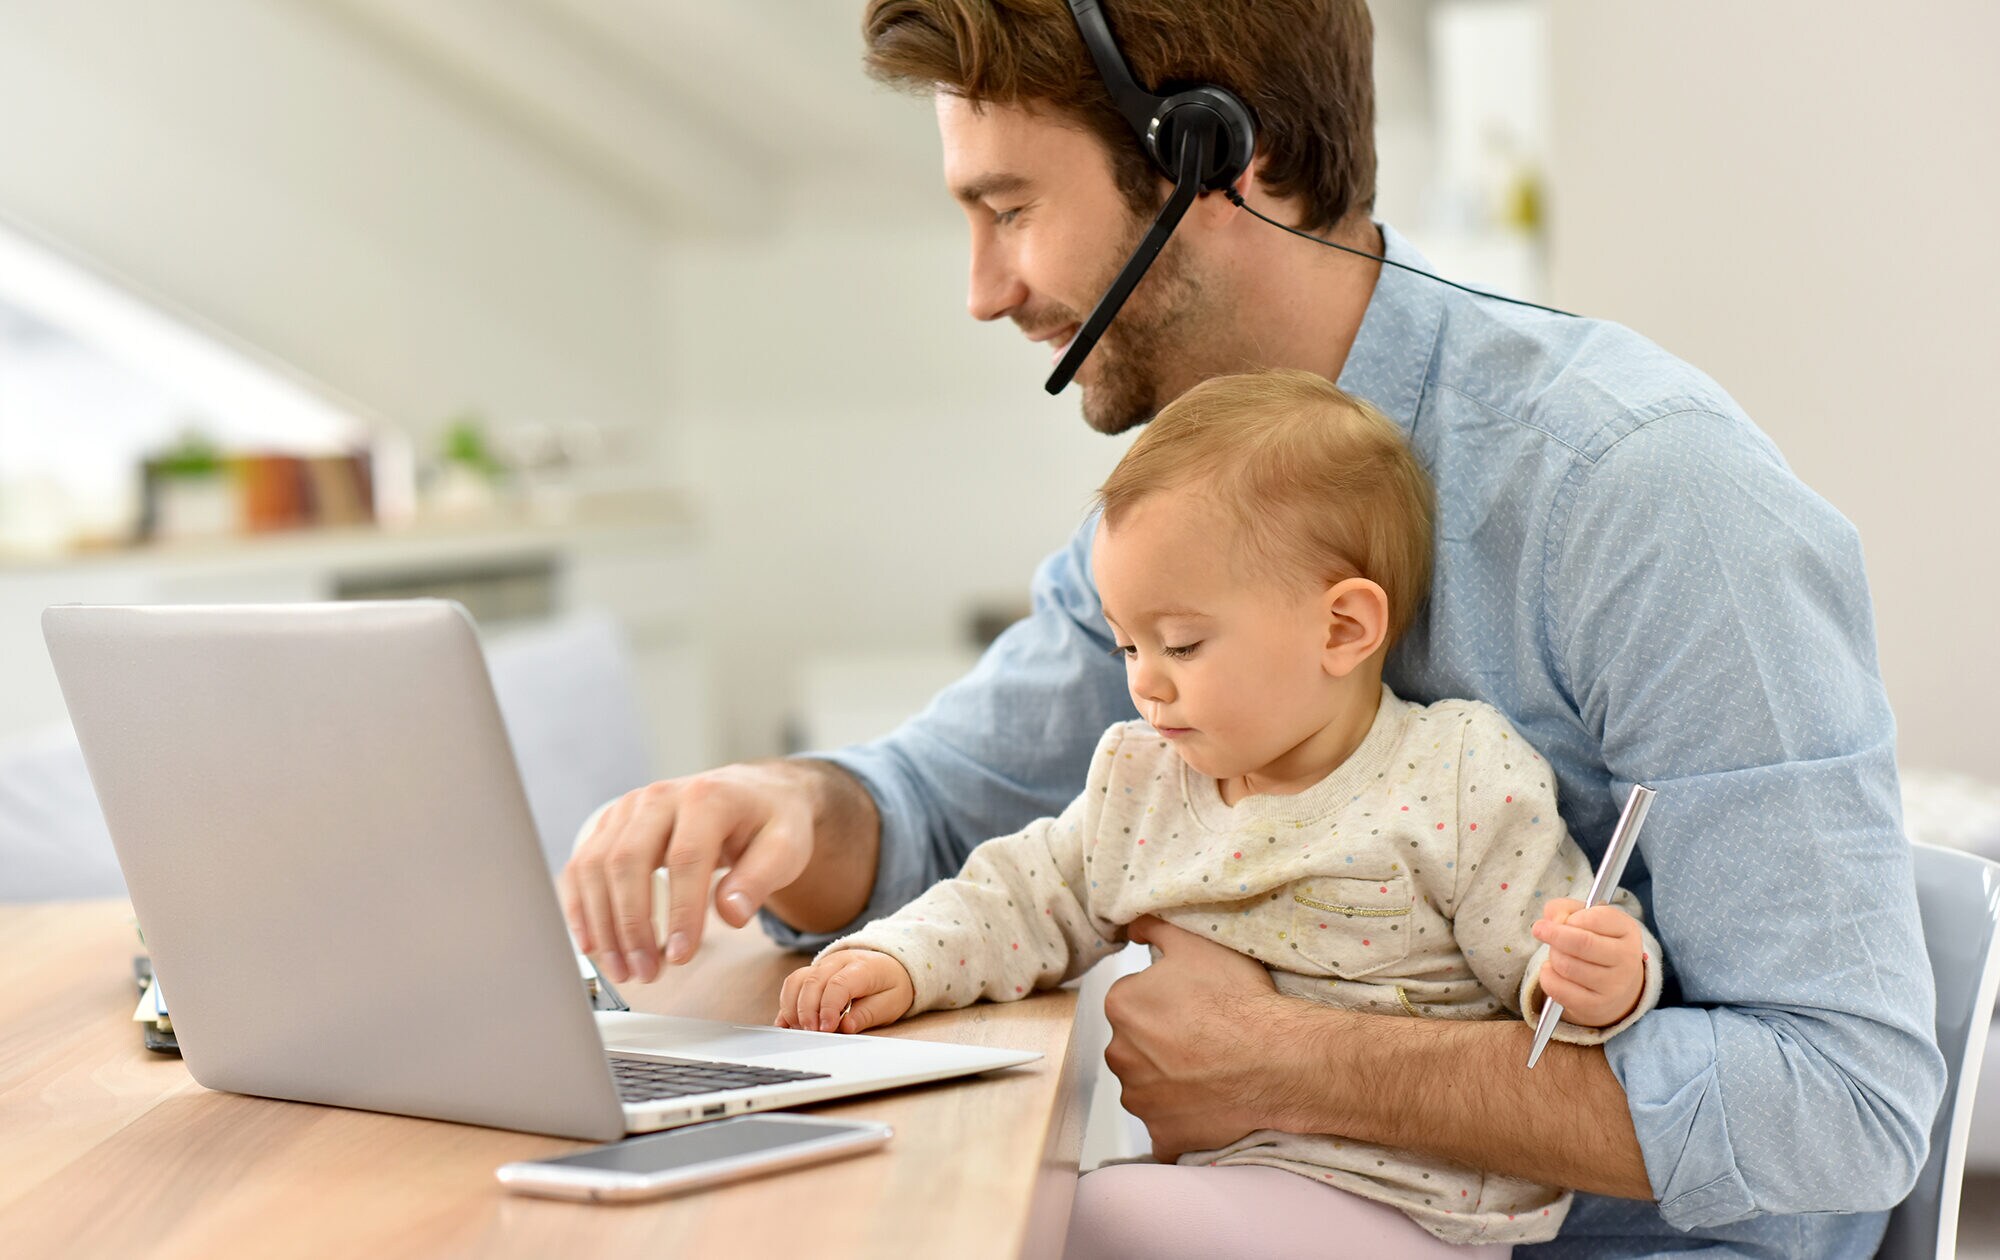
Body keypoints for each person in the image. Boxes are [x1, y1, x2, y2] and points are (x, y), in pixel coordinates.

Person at [562, 3, 1944, 1254]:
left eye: (1009, 208)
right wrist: (786, 807)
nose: (982, 289)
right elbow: (939, 806)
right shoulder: (1204, 506)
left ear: (1215, 158)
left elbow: (1847, 1107)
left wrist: (1286, 1060)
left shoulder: (1644, 494)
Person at [777, 370, 1664, 1257]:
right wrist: (899, 958)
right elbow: (1020, 894)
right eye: (1127, 643)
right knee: (1051, 1206)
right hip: (1219, 1187)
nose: (1142, 681)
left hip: (1410, 1210)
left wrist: (1595, 978)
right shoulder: (1142, 779)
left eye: (1182, 643)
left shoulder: (1460, 775)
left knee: (1070, 1222)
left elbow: (1546, 974)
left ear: (1344, 630)